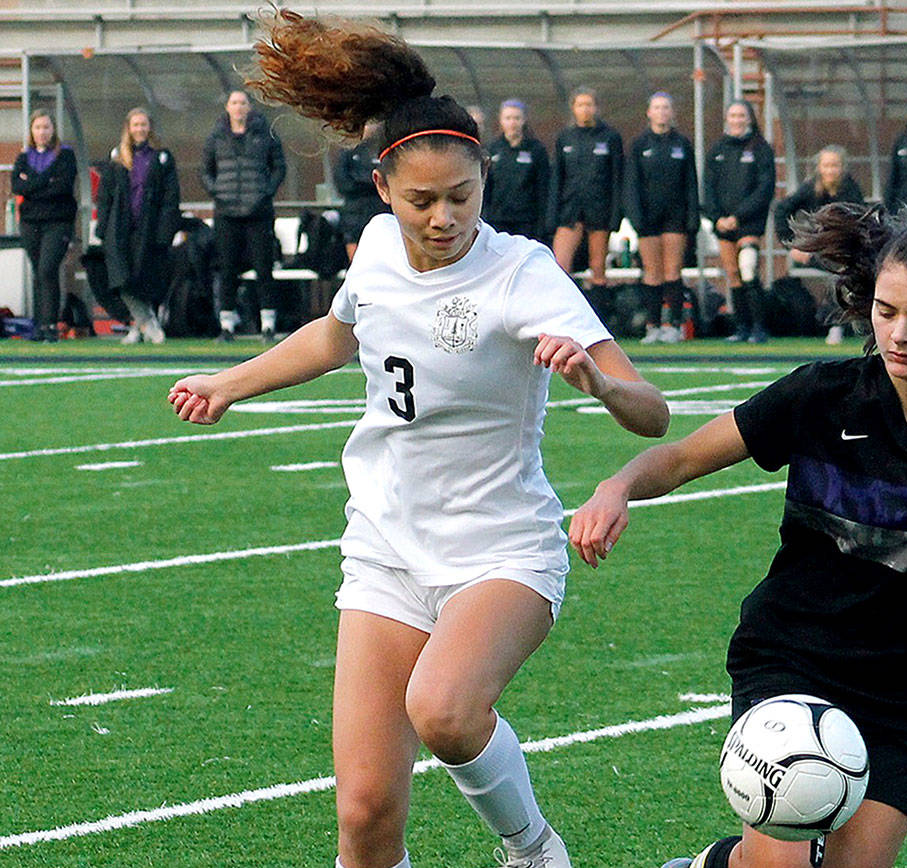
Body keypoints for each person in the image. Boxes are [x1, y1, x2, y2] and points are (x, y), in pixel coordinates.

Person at [168, 10, 669, 868]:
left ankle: (536, 851)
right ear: (382, 191)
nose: (444, 219)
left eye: (462, 197)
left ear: (486, 182)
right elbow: (335, 335)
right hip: (386, 550)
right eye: (422, 201)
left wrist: (597, 380)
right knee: (364, 818)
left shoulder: (523, 272)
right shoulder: (372, 248)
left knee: (443, 710)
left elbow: (651, 411)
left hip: (499, 551)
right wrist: (229, 382)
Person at [569, 203, 907, 868]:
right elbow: (684, 456)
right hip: (792, 660)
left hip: (905, 695)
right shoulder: (823, 395)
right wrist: (616, 487)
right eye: (887, 311)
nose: (899, 333)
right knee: (782, 864)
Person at [202, 88, 287, 342]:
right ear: (227, 107)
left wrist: (266, 191)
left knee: (264, 268)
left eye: (242, 102)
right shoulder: (216, 136)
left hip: (258, 211)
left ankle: (268, 324)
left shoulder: (265, 133)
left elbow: (279, 166)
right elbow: (205, 170)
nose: (238, 107)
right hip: (226, 212)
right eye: (234, 102)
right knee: (226, 268)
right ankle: (226, 324)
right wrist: (217, 191)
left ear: (249, 107)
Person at [92, 107, 182, 344]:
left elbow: (171, 197)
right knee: (121, 276)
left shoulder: (161, 157)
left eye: (143, 124)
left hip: (149, 229)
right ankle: (146, 322)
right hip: (119, 228)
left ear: (149, 127)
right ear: (128, 128)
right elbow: (105, 196)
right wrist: (101, 226)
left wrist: (166, 229)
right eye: (136, 125)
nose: (140, 129)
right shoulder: (117, 157)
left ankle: (139, 325)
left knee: (144, 277)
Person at [625, 92, 698, 344]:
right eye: (656, 107)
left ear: (671, 112)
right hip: (648, 218)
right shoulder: (639, 144)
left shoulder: (681, 144)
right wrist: (636, 217)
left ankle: (674, 325)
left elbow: (690, 182)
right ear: (649, 112)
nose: (661, 112)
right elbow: (631, 184)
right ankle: (653, 325)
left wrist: (692, 218)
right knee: (652, 272)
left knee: (672, 271)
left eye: (666, 107)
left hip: (675, 217)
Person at [774, 145, 863, 345]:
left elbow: (859, 223)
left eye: (835, 165)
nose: (830, 170)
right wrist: (792, 245)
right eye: (826, 165)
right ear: (819, 168)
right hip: (816, 251)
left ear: (842, 168)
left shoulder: (851, 190)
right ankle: (832, 323)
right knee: (839, 270)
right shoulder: (810, 188)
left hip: (843, 251)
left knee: (844, 269)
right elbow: (781, 210)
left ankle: (837, 323)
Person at [549, 87, 624, 325]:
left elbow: (616, 179)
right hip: (570, 211)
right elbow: (557, 179)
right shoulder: (565, 138)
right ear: (573, 108)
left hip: (599, 211)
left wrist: (615, 216)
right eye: (580, 104)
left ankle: (598, 324)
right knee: (560, 266)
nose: (585, 109)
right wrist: (554, 214)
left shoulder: (610, 138)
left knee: (598, 267)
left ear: (596, 107)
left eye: (589, 104)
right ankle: (564, 321)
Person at [702, 100, 775, 343]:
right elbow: (709, 187)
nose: (736, 120)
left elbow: (765, 188)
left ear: (750, 118)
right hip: (723, 223)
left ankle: (759, 327)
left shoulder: (760, 148)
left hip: (749, 222)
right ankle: (741, 327)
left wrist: (738, 216)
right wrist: (717, 218)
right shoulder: (718, 149)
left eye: (741, 115)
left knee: (748, 269)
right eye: (732, 115)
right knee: (732, 273)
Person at [11, 108, 77, 343]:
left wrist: (34, 184)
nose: (42, 132)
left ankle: (51, 323)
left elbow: (63, 186)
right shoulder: (24, 156)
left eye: (46, 127)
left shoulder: (65, 155)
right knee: (38, 272)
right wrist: (46, 181)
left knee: (48, 269)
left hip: (57, 222)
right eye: (37, 127)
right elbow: (17, 186)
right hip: (31, 223)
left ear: (53, 129)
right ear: (31, 131)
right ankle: (41, 325)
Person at [483, 99, 551, 242]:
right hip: (498, 219)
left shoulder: (536, 149)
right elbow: (486, 186)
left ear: (524, 120)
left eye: (517, 118)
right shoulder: (492, 148)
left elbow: (543, 188)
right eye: (508, 118)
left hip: (526, 221)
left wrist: (542, 223)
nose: (512, 123)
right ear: (501, 120)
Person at [334, 126, 389, 262]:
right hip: (354, 213)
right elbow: (342, 182)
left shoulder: (382, 147)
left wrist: (362, 181)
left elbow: (388, 179)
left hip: (381, 211)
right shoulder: (348, 151)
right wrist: (367, 184)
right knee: (356, 256)